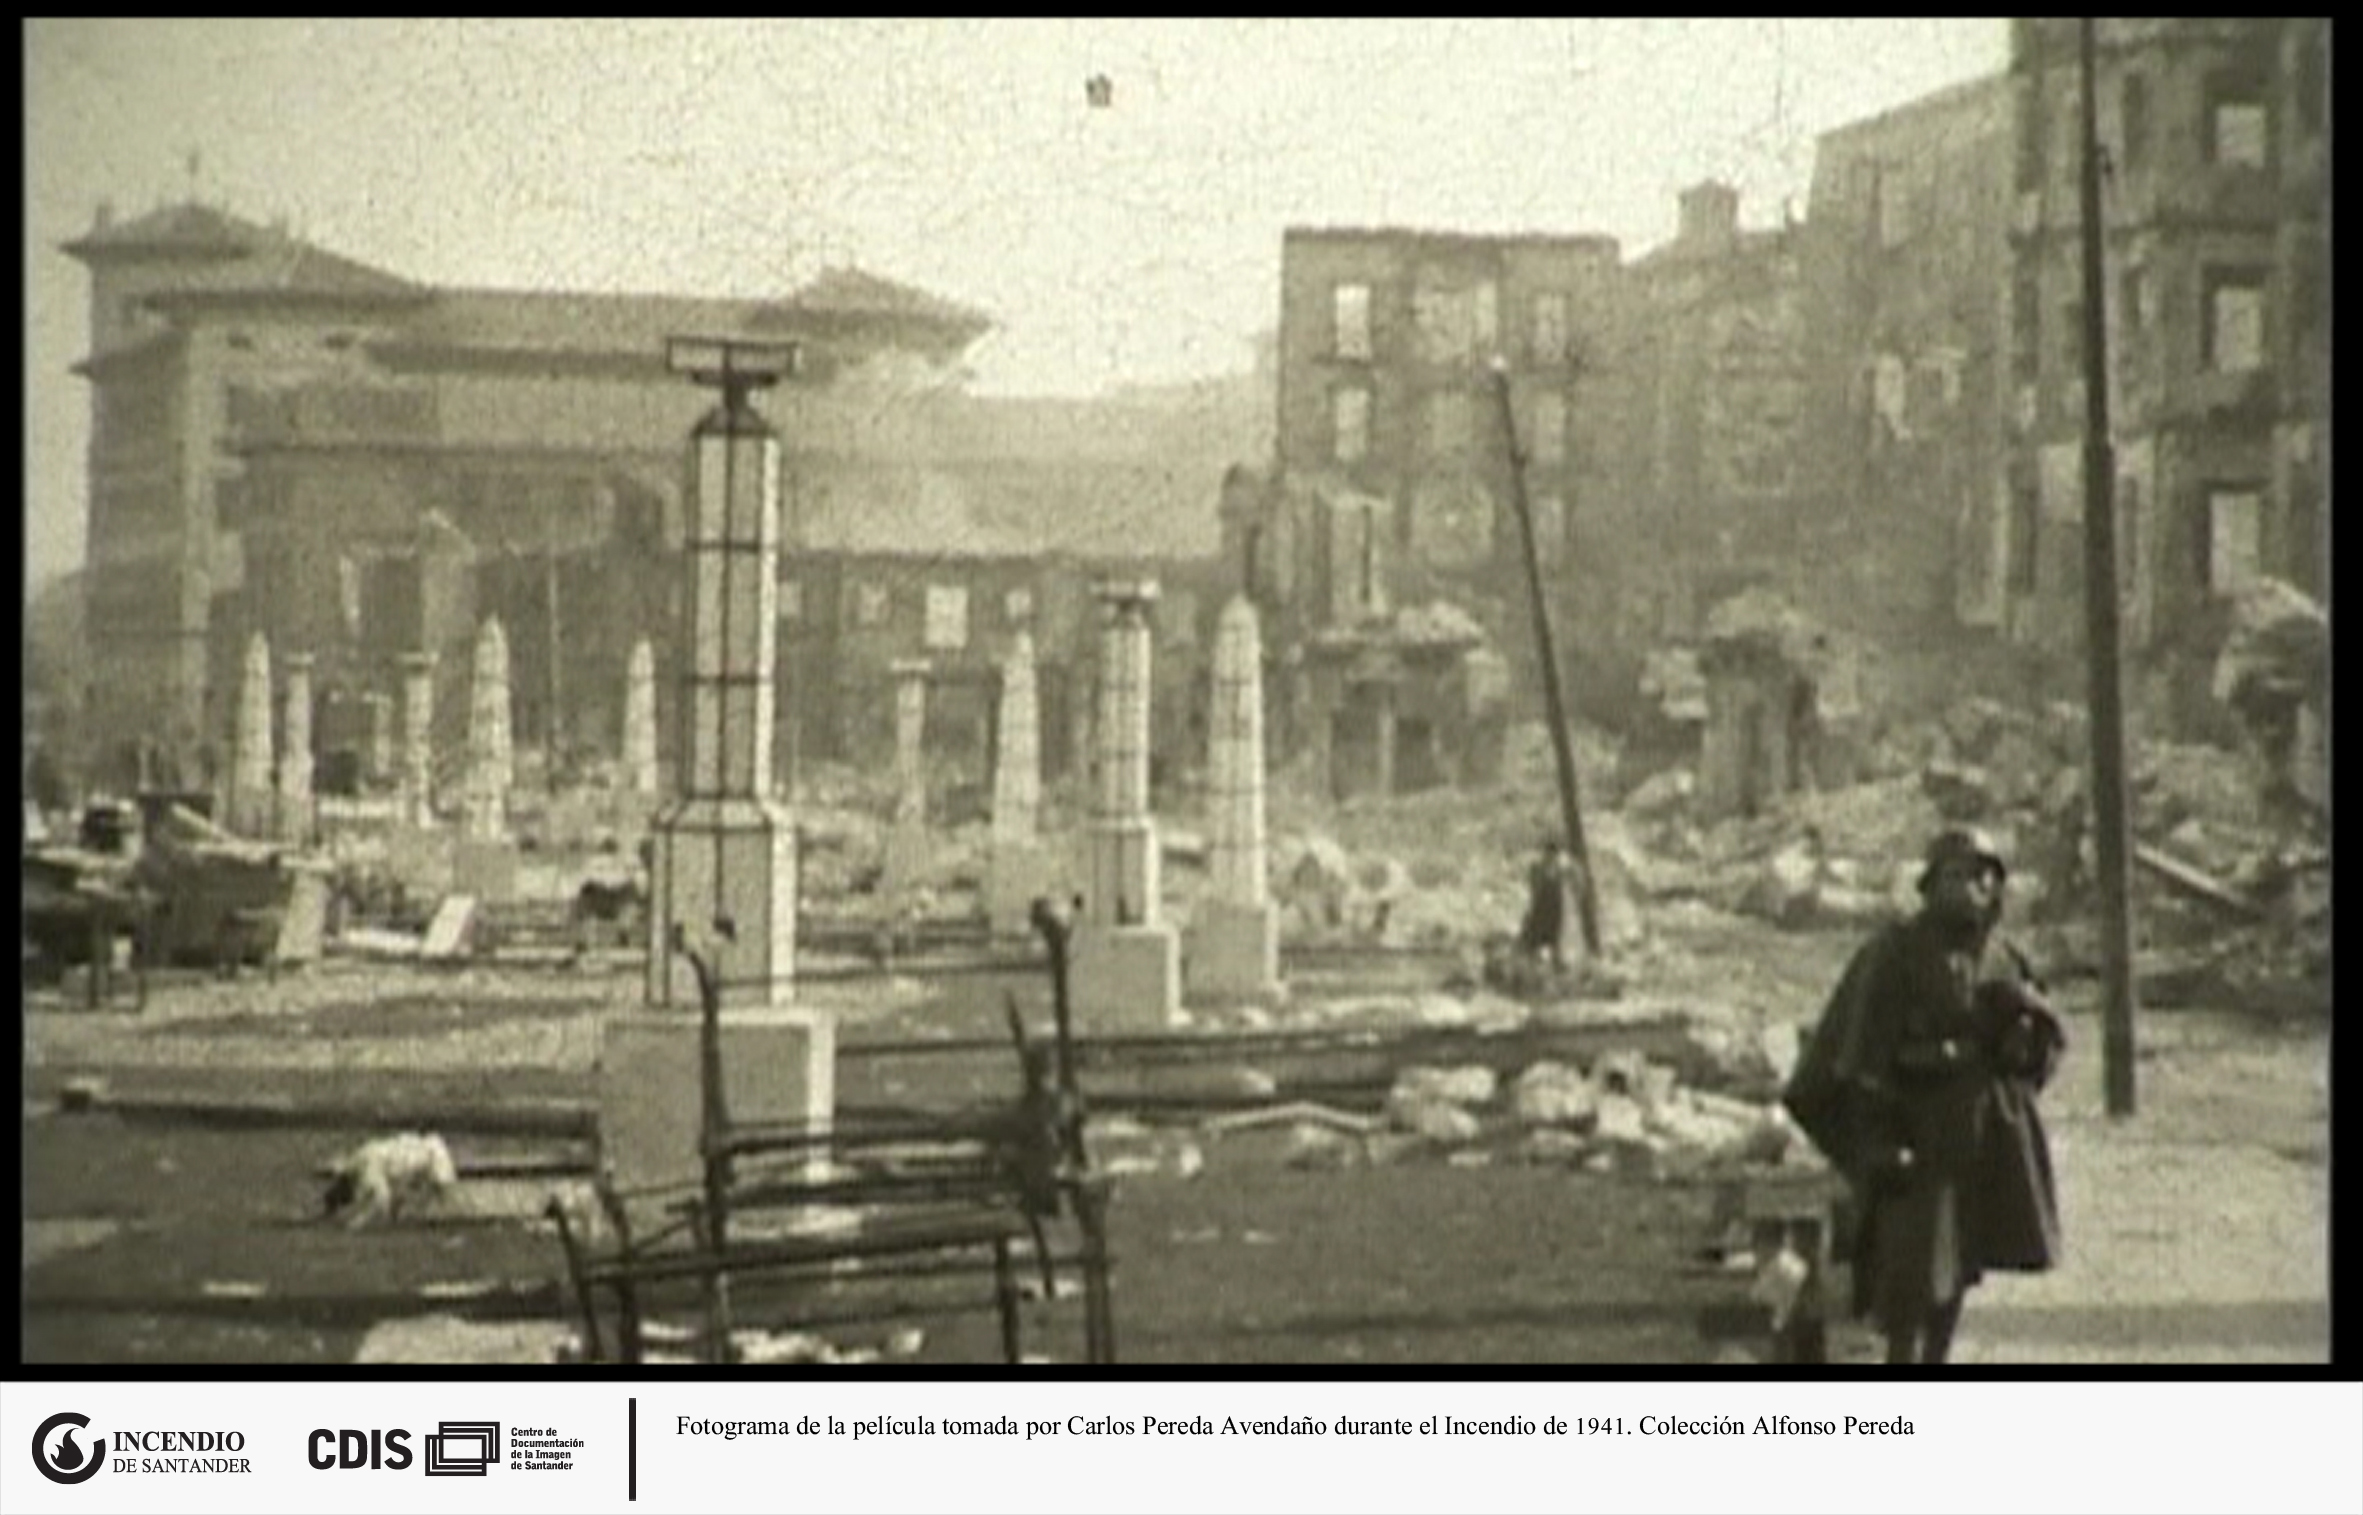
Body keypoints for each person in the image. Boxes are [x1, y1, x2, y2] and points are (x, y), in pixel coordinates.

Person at [1782, 826, 2065, 1365]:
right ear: (1932, 885)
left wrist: (2025, 1032)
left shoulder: (2003, 955)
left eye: (1984, 877)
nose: (1971, 888)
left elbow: (2035, 1055)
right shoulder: (1895, 953)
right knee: (1908, 1280)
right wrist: (1876, 1139)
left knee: (1958, 1267)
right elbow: (1861, 1055)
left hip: (1975, 1139)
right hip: (1914, 1136)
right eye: (1956, 875)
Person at [1516, 837, 1575, 971]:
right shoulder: (1540, 868)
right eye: (1549, 854)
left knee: (1553, 937)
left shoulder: (1559, 869)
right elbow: (1534, 886)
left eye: (1553, 854)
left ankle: (1555, 962)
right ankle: (1533, 962)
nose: (1551, 857)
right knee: (1535, 935)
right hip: (1542, 907)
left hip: (1554, 909)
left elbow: (1569, 881)